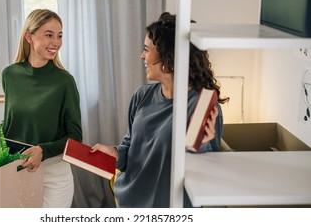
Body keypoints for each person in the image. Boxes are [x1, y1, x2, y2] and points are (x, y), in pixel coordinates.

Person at [91, 12, 229, 208]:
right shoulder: (142, 96)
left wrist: (204, 147)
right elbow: (131, 148)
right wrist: (114, 153)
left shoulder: (202, 104)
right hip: (130, 203)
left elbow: (206, 173)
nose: (142, 55)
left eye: (147, 50)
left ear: (168, 57)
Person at [0, 9, 82, 208]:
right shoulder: (10, 75)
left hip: (54, 173)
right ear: (29, 36)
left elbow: (75, 136)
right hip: (17, 168)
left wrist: (43, 150)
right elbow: (12, 121)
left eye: (59, 36)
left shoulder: (64, 81)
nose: (56, 42)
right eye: (49, 35)